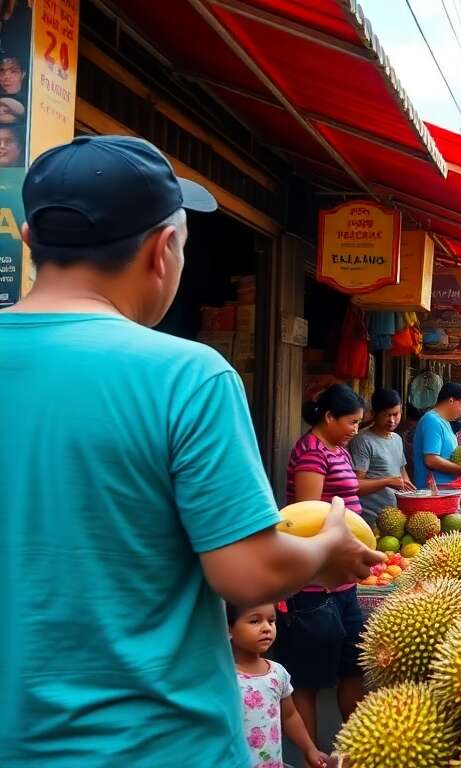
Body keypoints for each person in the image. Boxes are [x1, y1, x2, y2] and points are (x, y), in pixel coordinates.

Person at [0, 135, 378, 767]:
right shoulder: (187, 375)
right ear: (162, 250)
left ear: (33, 240)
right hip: (156, 744)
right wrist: (325, 550)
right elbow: (247, 571)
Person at [276, 383, 372, 741]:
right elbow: (307, 518)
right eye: (350, 422)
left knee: (353, 667)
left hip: (343, 583)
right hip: (314, 588)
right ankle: (311, 754)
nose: (355, 430)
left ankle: (357, 746)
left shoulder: (338, 449)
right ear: (329, 417)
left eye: (360, 423)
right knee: (308, 679)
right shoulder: (311, 453)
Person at [229, 602, 326, 768]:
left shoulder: (277, 672)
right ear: (228, 629)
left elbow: (290, 716)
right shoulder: (225, 678)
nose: (267, 628)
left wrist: (310, 749)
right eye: (255, 621)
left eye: (271, 621)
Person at [350, 387, 414, 524]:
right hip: (370, 519)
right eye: (386, 415)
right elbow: (355, 486)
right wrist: (387, 481)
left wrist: (411, 493)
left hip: (395, 517)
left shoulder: (397, 438)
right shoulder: (363, 440)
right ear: (373, 414)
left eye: (396, 414)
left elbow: (401, 472)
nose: (392, 420)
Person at [413, 382, 461, 488]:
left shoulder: (445, 422)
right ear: (451, 401)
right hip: (433, 490)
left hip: (447, 488)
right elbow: (431, 460)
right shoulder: (432, 421)